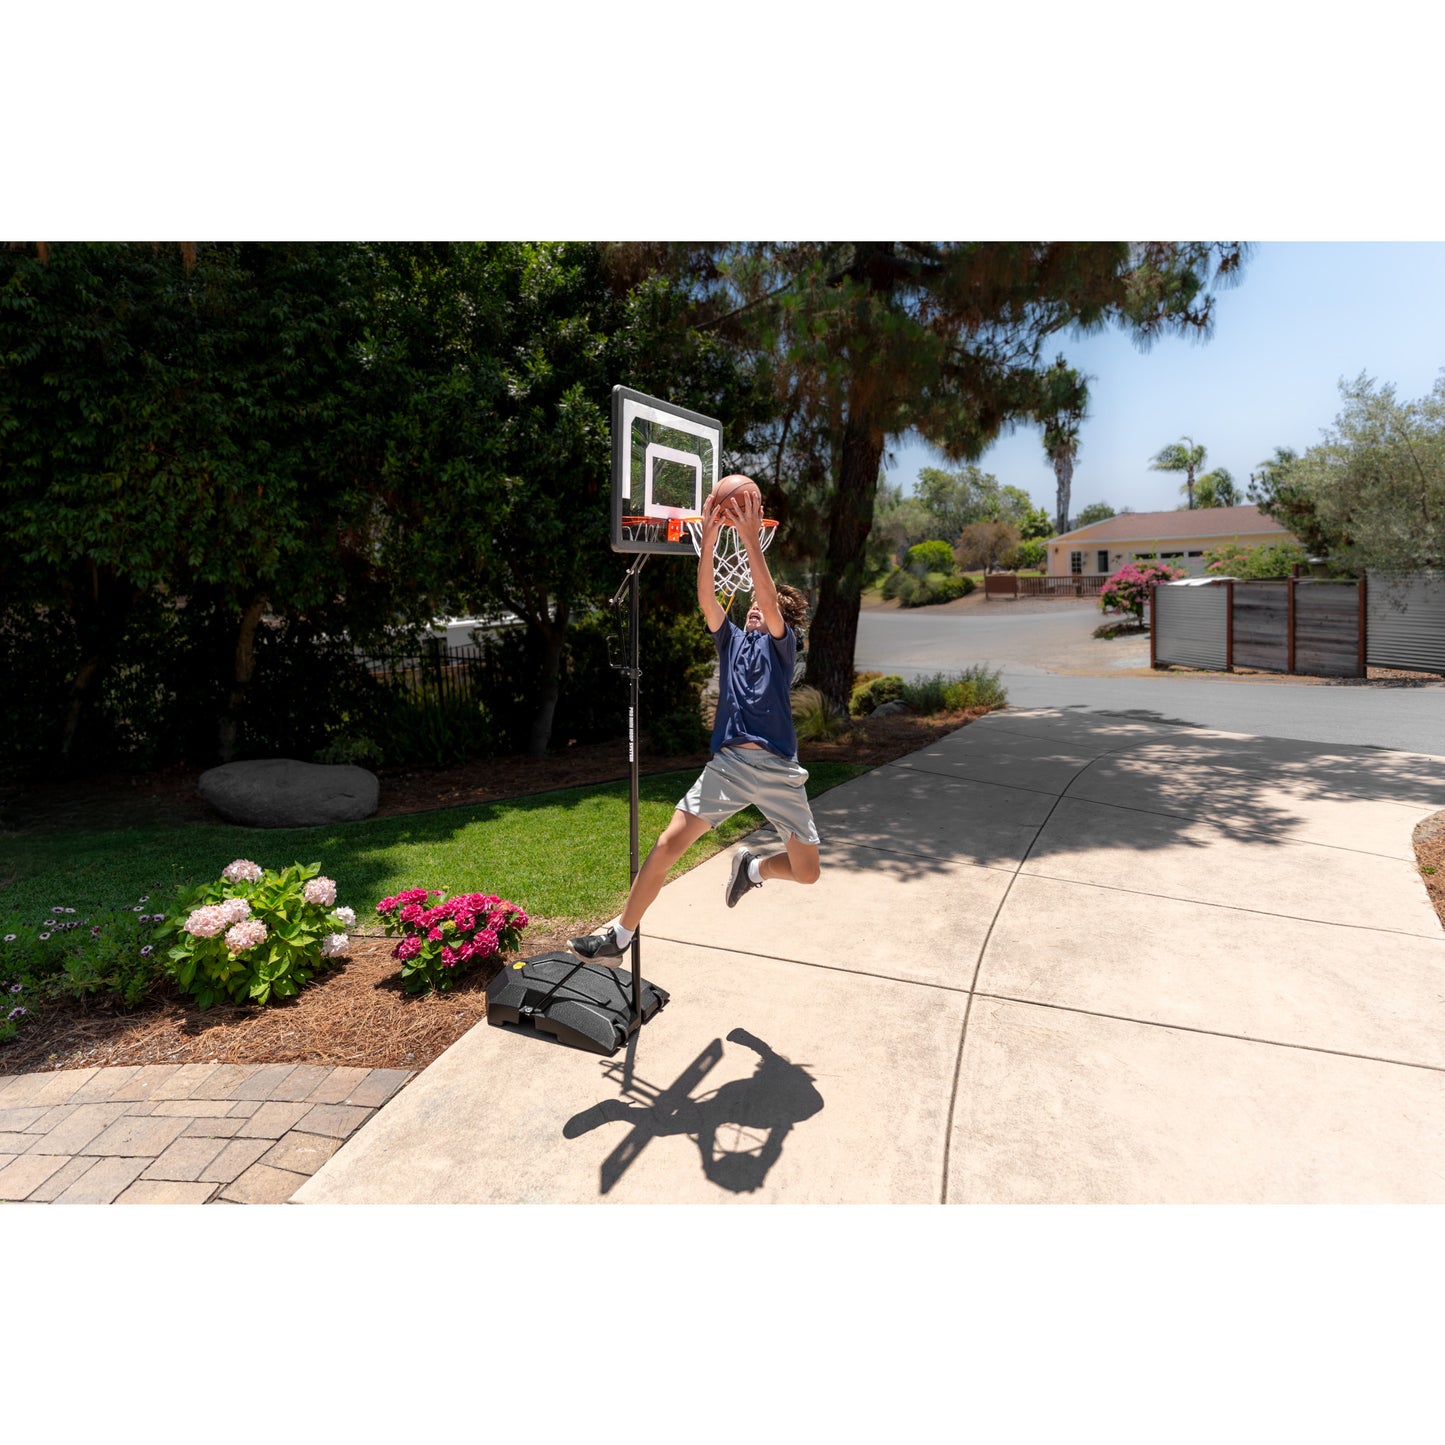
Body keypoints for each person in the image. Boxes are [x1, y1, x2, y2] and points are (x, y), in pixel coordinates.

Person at [569, 481, 821, 961]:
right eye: (749, 605)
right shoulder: (730, 642)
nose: (753, 608)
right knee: (667, 844)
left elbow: (769, 601)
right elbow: (707, 599)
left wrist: (748, 537)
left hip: (778, 772)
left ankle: (753, 870)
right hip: (728, 766)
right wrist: (708, 539)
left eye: (762, 609)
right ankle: (618, 938)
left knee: (807, 871)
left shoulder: (782, 647)